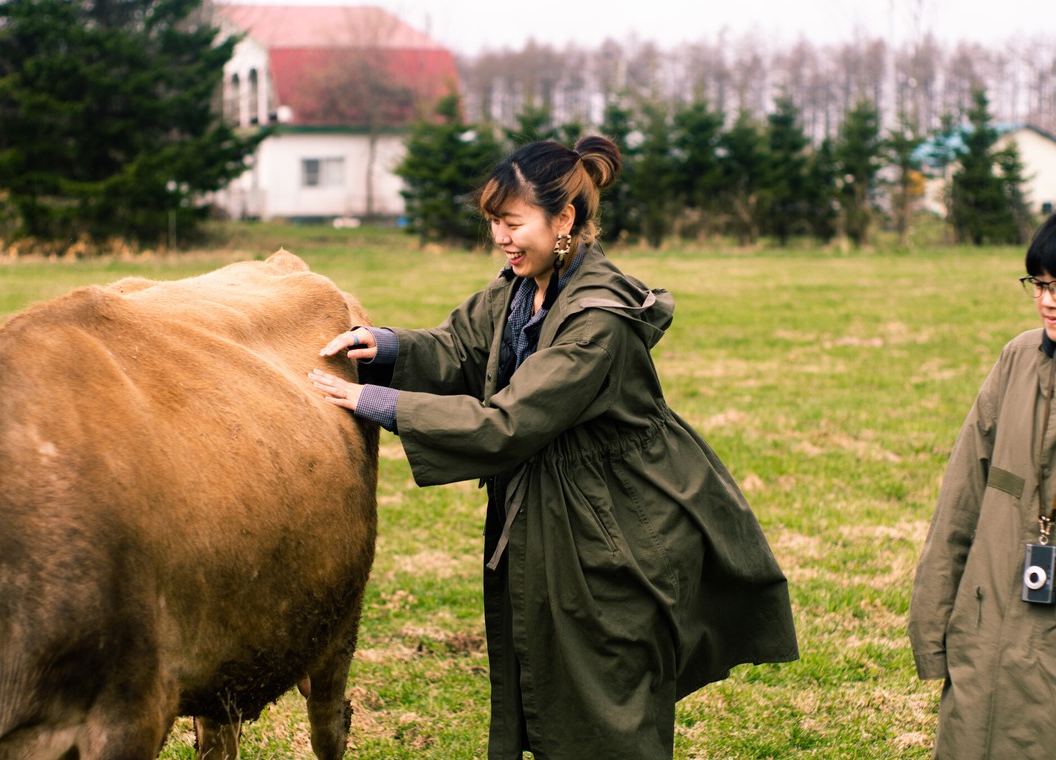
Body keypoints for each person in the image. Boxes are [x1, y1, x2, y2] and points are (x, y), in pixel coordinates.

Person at [308, 135, 798, 760]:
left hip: (615, 526)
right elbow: (462, 348)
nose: (501, 239)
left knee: (606, 702)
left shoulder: (597, 320)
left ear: (564, 219)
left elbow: (507, 425)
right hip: (557, 515)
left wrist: (383, 405)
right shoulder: (522, 286)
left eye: (512, 223)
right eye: (494, 224)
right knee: (548, 684)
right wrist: (392, 347)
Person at [909, 209, 1056, 757]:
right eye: (1040, 285)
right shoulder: (1017, 358)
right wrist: (933, 624)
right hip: (988, 621)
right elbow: (961, 498)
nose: (1049, 300)